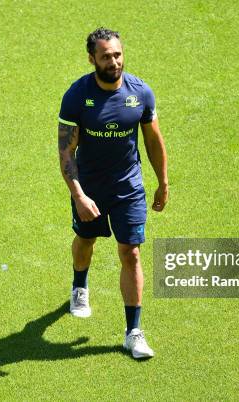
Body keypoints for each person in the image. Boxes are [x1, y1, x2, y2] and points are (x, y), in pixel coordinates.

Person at [57, 27, 168, 359]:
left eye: (117, 54)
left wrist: (163, 182)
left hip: (128, 187)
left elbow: (152, 140)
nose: (113, 61)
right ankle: (80, 286)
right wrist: (78, 195)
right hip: (89, 186)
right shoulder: (77, 96)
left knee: (131, 253)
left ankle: (133, 332)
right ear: (92, 59)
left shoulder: (141, 93)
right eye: (106, 56)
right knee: (86, 240)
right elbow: (66, 152)